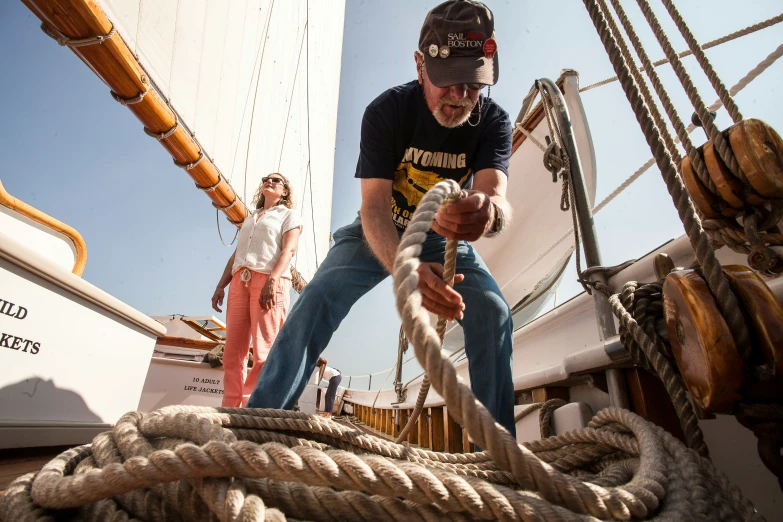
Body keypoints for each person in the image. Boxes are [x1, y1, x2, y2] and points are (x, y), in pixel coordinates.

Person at [248, 0, 516, 436]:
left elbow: (497, 197)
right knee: (316, 300)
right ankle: (257, 424)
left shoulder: (493, 121)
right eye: (448, 82)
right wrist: (405, 269)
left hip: (443, 239)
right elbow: (373, 206)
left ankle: (500, 456)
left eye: (473, 85)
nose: (460, 97)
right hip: (378, 231)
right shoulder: (385, 112)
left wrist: (489, 214)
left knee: (492, 312)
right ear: (420, 65)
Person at [211, 173, 302, 407]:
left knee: (263, 352)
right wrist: (222, 284)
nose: (269, 181)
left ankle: (251, 406)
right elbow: (237, 254)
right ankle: (230, 408)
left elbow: (289, 250)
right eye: (266, 179)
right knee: (232, 353)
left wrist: (272, 279)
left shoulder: (288, 215)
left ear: (285, 192)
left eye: (276, 180)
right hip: (239, 281)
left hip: (270, 281)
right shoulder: (250, 219)